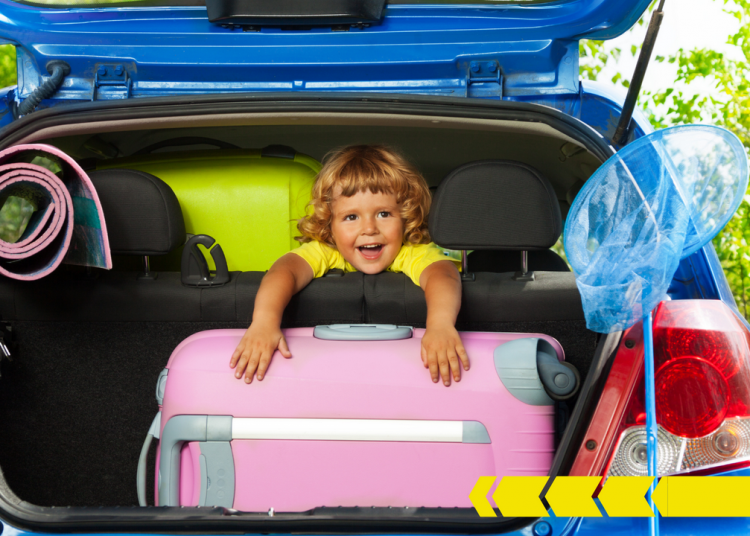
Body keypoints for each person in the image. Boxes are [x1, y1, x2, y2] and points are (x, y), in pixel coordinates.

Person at [229, 145, 468, 386]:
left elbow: (443, 275)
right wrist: (264, 323)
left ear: (405, 218)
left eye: (384, 214)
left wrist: (440, 325)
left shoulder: (411, 252)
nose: (369, 229)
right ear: (329, 226)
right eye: (351, 217)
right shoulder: (327, 250)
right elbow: (284, 271)